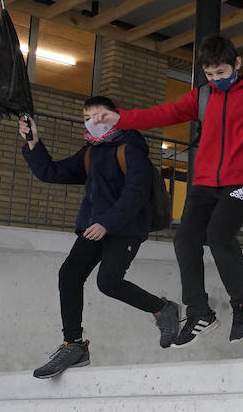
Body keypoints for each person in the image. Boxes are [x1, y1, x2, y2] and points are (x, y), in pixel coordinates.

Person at [90, 37, 243, 350]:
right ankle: (199, 311)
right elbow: (164, 113)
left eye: (222, 72)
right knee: (185, 238)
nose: (217, 80)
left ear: (238, 64)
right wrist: (121, 118)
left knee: (219, 234)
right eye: (210, 75)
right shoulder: (202, 96)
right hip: (205, 180)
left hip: (242, 179)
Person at [19, 98, 175, 380]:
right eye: (87, 117)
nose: (94, 120)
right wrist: (34, 142)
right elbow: (51, 172)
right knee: (69, 274)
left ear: (116, 116)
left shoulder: (131, 148)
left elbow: (137, 193)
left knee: (109, 282)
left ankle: (163, 309)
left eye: (100, 115)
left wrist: (108, 222)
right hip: (95, 227)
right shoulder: (91, 152)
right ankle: (74, 345)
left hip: (124, 227)